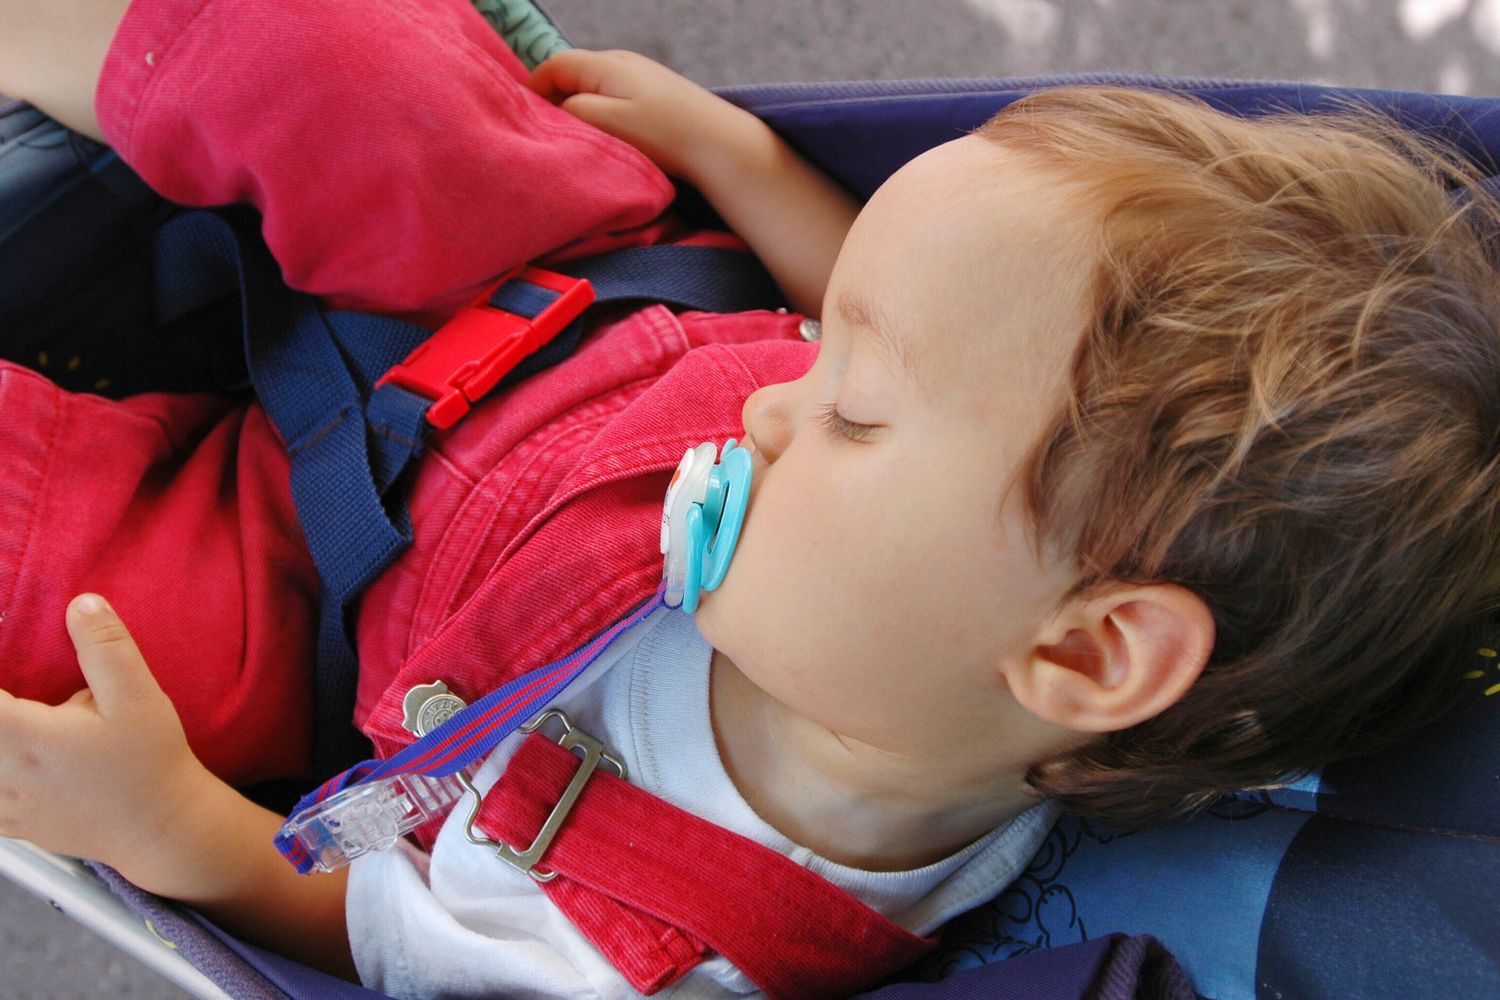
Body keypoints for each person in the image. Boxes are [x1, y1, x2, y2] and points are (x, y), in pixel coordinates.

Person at [2, 0, 1499, 996]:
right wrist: (748, 163)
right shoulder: (948, 540)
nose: (781, 402)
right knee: (336, 54)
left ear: (1086, 655)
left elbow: (386, 941)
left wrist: (182, 831)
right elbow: (911, 316)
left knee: (48, 581)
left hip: (314, 592)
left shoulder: (680, 925)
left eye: (847, 414)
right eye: (831, 347)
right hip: (572, 288)